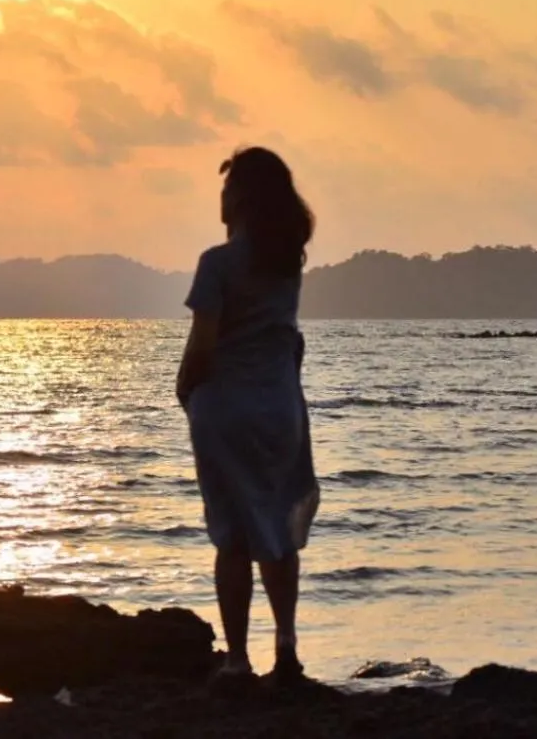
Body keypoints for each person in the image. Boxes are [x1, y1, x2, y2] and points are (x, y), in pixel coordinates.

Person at [176, 146, 319, 686]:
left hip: (226, 409)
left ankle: (237, 659)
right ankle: (286, 647)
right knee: (279, 529)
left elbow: (203, 344)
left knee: (232, 535)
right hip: (280, 408)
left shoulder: (217, 263)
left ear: (238, 198)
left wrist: (185, 388)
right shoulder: (287, 265)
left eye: (226, 186)